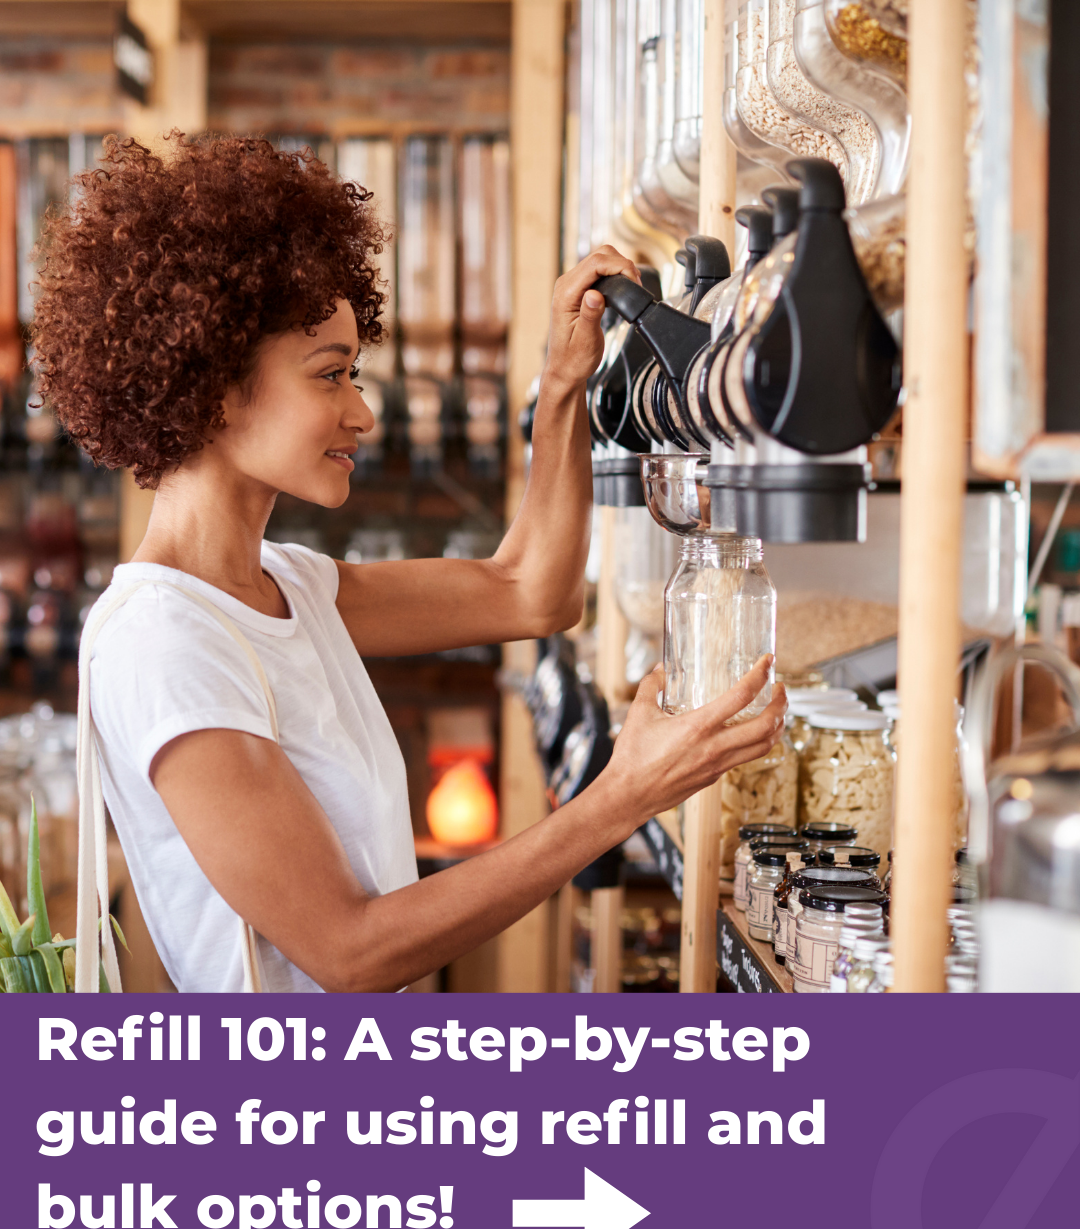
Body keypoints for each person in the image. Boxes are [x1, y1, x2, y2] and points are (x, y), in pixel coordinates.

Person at [31, 134, 786, 992]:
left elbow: (529, 592)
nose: (362, 412)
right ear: (211, 386)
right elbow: (350, 952)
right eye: (331, 376)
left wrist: (564, 382)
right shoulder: (166, 643)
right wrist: (622, 798)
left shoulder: (291, 588)